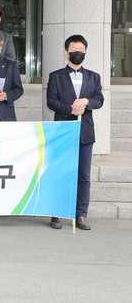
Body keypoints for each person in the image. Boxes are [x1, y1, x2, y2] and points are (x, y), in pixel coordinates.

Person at [46, 35, 104, 231]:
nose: (78, 52)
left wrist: (86, 102)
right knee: (60, 172)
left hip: (85, 131)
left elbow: (99, 99)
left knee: (83, 175)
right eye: (74, 49)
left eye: (81, 49)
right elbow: (51, 101)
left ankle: (81, 214)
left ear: (85, 52)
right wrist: (70, 109)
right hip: (63, 130)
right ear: (66, 52)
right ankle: (57, 213)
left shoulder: (94, 77)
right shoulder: (56, 76)